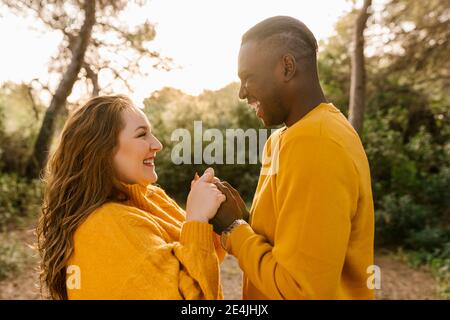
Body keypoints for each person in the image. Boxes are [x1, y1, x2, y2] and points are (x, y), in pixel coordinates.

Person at [210, 16, 375, 299]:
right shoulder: (285, 138)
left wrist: (233, 230)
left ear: (287, 67)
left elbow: (300, 291)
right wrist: (247, 221)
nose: (241, 93)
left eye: (248, 77)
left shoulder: (318, 142)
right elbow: (292, 245)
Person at [37, 95, 227, 300]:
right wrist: (197, 219)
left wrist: (214, 216)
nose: (157, 144)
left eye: (151, 133)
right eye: (141, 135)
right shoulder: (108, 225)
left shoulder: (150, 197)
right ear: (103, 150)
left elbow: (203, 254)